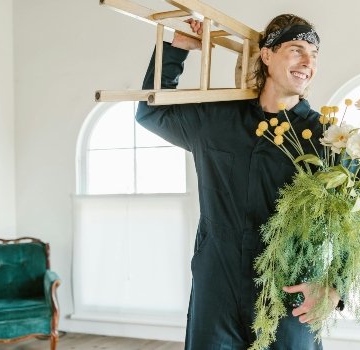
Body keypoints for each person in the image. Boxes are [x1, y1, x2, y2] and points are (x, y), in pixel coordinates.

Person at [136, 14, 340, 349]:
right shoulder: (218, 119)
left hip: (288, 289)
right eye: (296, 49)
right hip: (217, 285)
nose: (308, 62)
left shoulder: (327, 137)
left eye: (314, 55)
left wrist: (334, 285)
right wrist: (179, 48)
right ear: (267, 54)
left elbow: (351, 219)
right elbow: (151, 112)